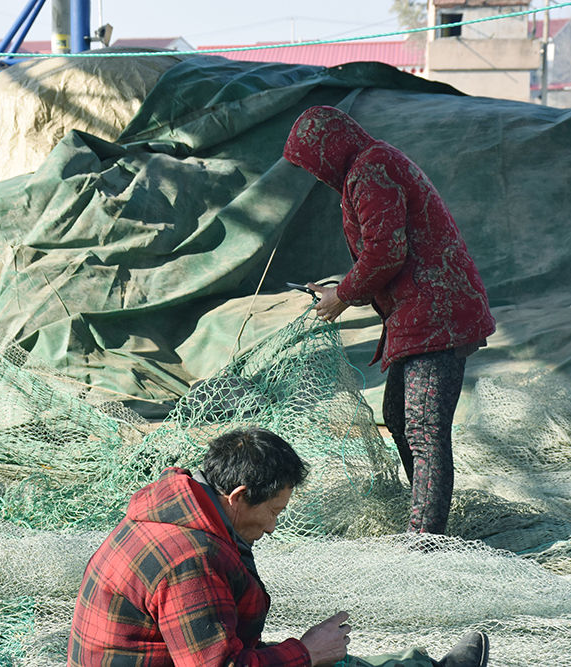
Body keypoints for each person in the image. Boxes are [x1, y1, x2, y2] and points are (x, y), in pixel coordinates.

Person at [68, 427, 490, 667]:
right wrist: (305, 653)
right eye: (273, 511)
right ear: (238, 496)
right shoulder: (189, 559)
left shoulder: (173, 509)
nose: (272, 527)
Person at [282, 106, 496, 536]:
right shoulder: (369, 165)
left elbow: (386, 252)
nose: (315, 174)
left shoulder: (371, 169)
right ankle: (425, 515)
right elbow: (387, 252)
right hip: (422, 311)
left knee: (424, 428)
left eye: (312, 162)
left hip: (436, 314)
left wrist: (343, 296)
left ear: (329, 149)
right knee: (398, 416)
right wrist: (344, 289)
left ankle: (425, 539)